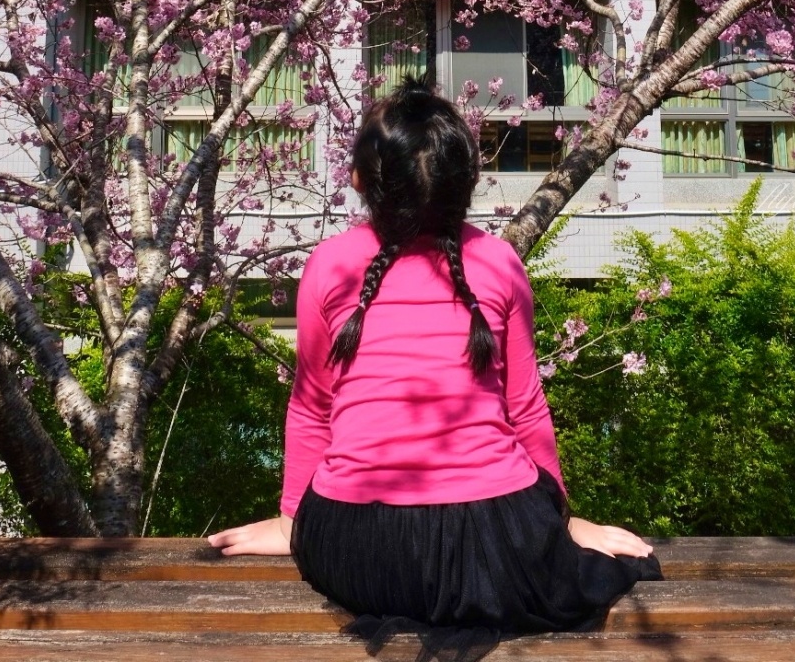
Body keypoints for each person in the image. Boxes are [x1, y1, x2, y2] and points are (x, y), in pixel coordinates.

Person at [210, 80, 662, 658]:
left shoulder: (328, 264)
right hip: (495, 548)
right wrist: (560, 524)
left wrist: (291, 521)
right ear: (467, 183)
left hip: (356, 550)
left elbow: (310, 407)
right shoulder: (498, 262)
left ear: (358, 180)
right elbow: (525, 408)